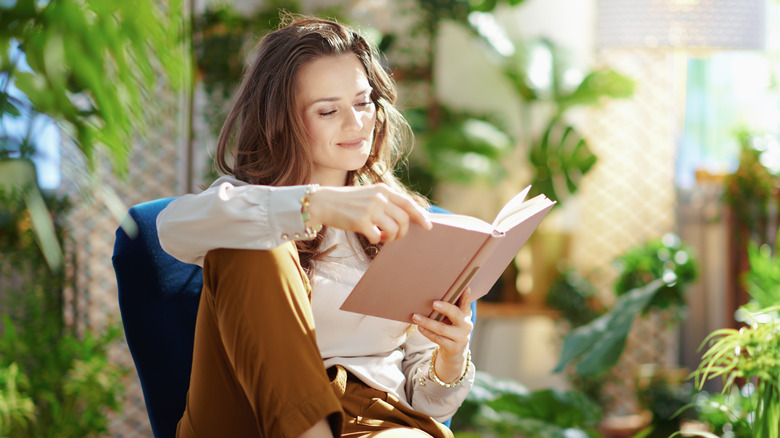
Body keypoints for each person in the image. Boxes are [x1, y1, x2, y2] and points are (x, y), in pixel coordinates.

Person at [156, 14, 475, 438]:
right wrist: (317, 205)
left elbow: (427, 403)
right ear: (283, 120)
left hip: (368, 416)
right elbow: (170, 228)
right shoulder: (242, 202)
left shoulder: (405, 221)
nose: (356, 123)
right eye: (328, 110)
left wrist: (450, 358)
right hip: (242, 415)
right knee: (252, 239)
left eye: (363, 103)